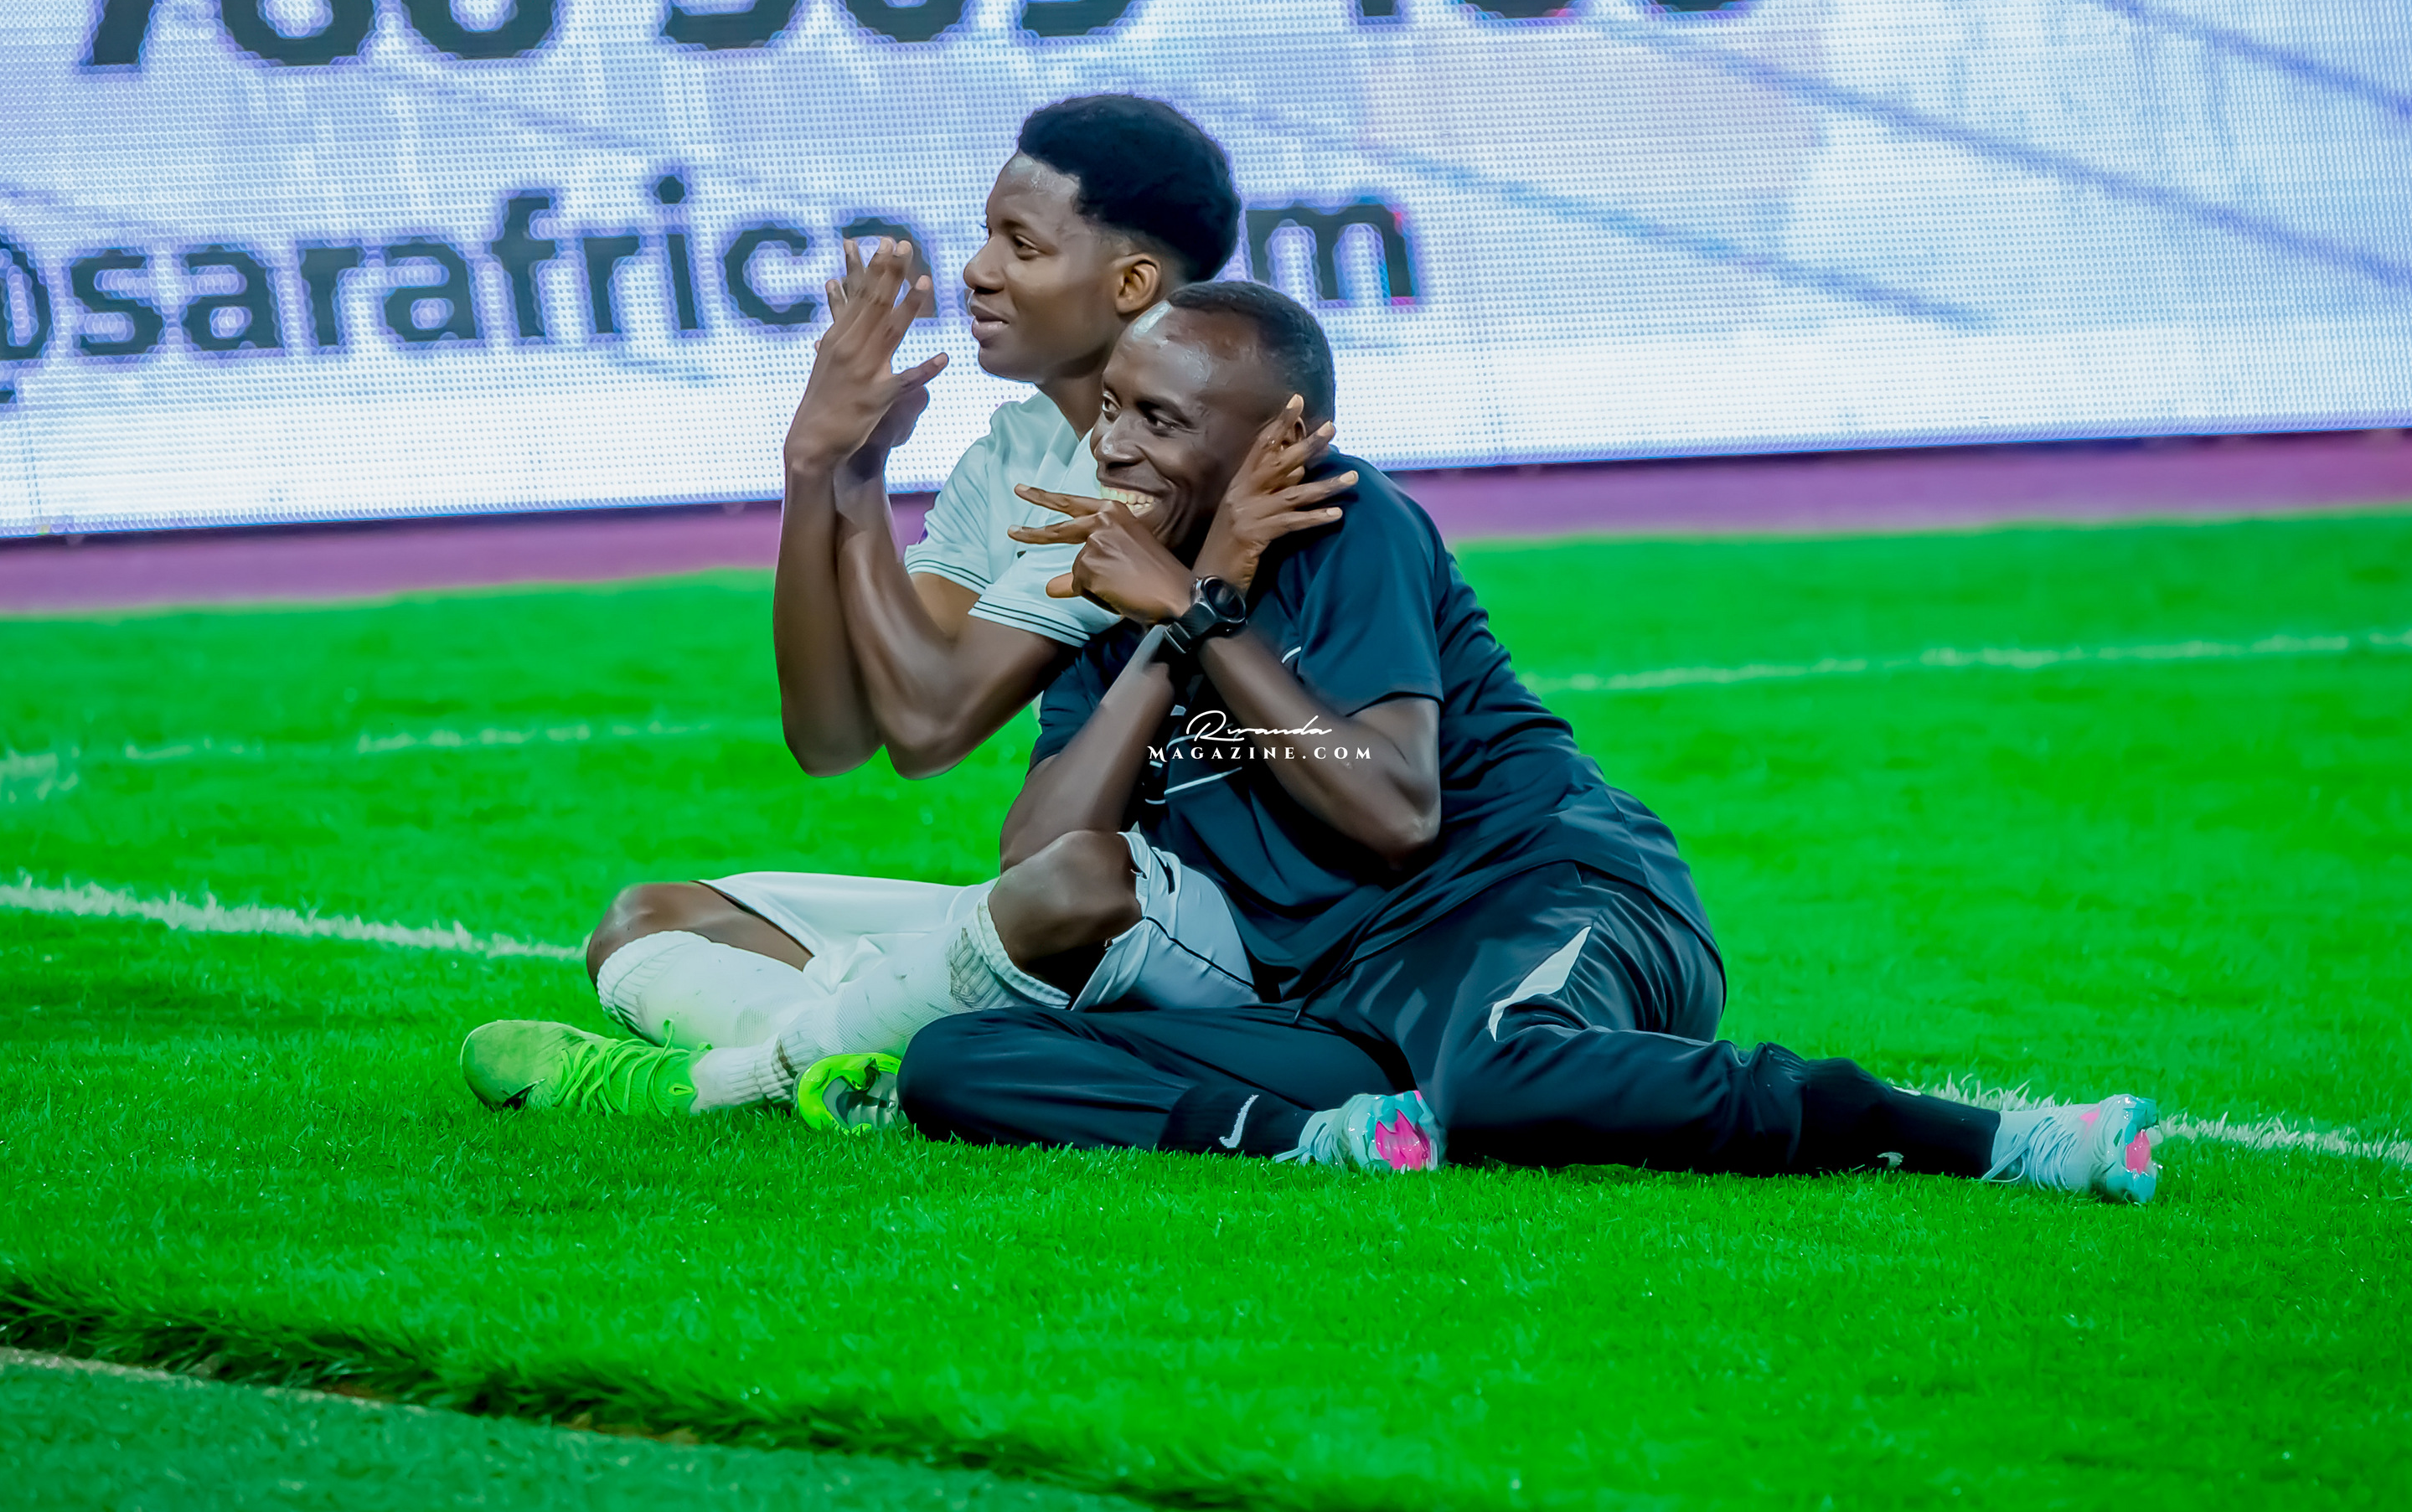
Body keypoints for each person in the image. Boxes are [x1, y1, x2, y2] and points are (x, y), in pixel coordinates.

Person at [884, 282, 2161, 1202]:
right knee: (957, 1064)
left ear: (1283, 440)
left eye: (1159, 421)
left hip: (1543, 898)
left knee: (1497, 1080)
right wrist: (1175, 626)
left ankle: (1956, 1134)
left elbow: (1393, 809)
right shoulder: (1120, 594)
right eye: (1111, 407)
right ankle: (1317, 1140)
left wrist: (1201, 613)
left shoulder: (1350, 522)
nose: (1111, 445)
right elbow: (1036, 865)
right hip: (1341, 1008)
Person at [461, 97, 1305, 1122]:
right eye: (987, 235)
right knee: (647, 921)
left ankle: (736, 1081)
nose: (977, 272)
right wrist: (815, 469)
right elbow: (833, 733)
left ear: (1130, 284)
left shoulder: (1145, 474)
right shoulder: (1015, 451)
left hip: (1181, 919)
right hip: (1072, 902)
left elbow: (928, 723)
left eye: (1021, 245)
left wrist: (858, 482)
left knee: (1024, 906)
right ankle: (863, 1055)